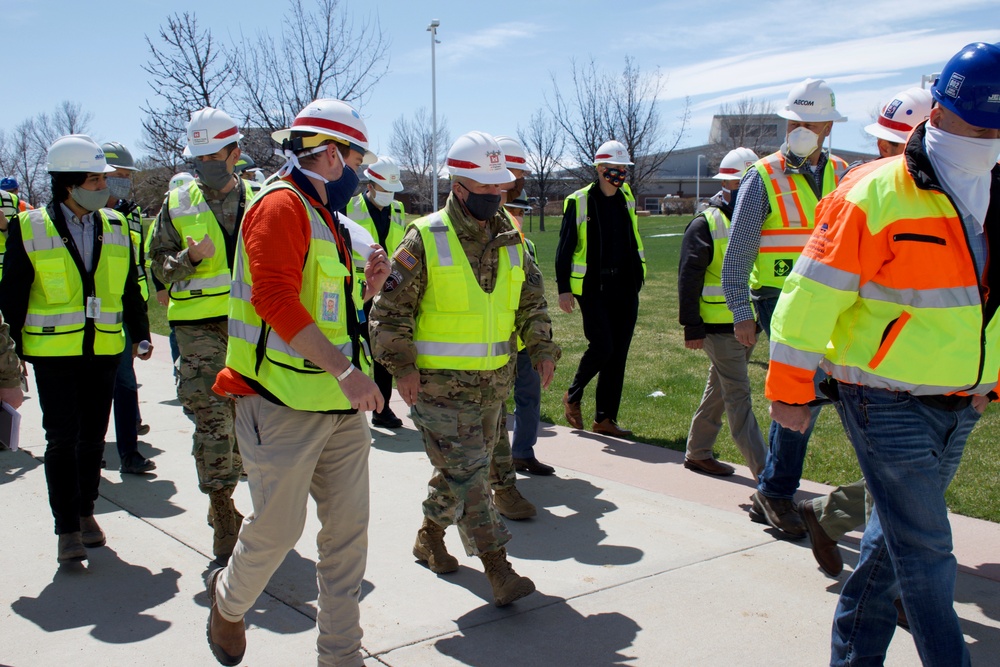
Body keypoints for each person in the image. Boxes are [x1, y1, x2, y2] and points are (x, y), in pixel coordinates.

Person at [766, 42, 1000, 666]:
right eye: (981, 126)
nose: (991, 139)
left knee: (886, 547)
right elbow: (808, 298)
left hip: (964, 400)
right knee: (925, 551)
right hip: (883, 399)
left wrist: (993, 382)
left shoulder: (995, 187)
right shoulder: (870, 194)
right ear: (942, 114)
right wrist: (790, 392)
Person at [208, 98, 388, 667]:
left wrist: (370, 287)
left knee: (346, 540)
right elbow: (275, 301)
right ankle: (228, 605)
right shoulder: (280, 208)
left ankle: (340, 657)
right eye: (357, 159)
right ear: (332, 155)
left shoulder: (326, 217)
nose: (360, 173)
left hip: (337, 408)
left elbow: (328, 310)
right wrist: (346, 370)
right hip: (280, 404)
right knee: (278, 531)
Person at [369, 130, 560, 607]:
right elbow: (388, 312)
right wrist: (402, 368)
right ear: (459, 188)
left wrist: (541, 347)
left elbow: (532, 302)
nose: (496, 197)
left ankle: (429, 537)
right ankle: (497, 566)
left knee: (457, 471)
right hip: (436, 388)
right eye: (486, 190)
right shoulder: (425, 236)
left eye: (501, 188)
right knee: (472, 474)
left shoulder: (513, 238)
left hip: (493, 387)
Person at [798, 87, 933, 578]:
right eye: (888, 147)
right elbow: (816, 291)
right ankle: (890, 588)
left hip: (941, 364)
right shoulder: (861, 194)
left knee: (918, 479)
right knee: (909, 488)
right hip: (878, 369)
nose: (890, 159)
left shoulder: (953, 191)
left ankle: (831, 513)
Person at [0, 134, 150, 563]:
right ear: (69, 184)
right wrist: (9, 360)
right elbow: (12, 294)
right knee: (62, 439)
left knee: (91, 440)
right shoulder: (31, 227)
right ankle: (66, 528)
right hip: (53, 354)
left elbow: (128, 289)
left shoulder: (117, 226)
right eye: (95, 179)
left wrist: (141, 333)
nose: (104, 186)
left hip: (103, 349)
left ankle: (86, 513)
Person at [720, 78, 849, 538]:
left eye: (810, 123)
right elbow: (737, 255)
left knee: (837, 394)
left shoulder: (845, 173)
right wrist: (741, 312)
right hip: (780, 301)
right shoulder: (764, 175)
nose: (801, 131)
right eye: (794, 122)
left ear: (828, 127)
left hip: (834, 300)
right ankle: (776, 492)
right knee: (802, 395)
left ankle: (775, 491)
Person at [149, 107, 255, 566]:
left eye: (216, 153)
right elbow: (156, 268)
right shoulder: (177, 203)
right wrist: (188, 260)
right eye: (200, 155)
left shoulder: (262, 197)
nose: (208, 162)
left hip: (252, 328)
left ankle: (254, 502)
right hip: (198, 331)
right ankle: (221, 508)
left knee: (253, 423)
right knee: (212, 421)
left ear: (235, 152)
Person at [678, 147, 767, 478]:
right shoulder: (705, 223)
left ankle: (698, 452)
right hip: (720, 327)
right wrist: (692, 327)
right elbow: (688, 279)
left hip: (748, 323)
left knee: (719, 389)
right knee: (738, 397)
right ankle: (768, 475)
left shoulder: (757, 219)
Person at [555, 139, 646, 437]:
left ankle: (605, 419)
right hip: (593, 288)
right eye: (613, 168)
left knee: (618, 353)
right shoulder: (579, 201)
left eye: (623, 168)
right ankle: (573, 394)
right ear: (599, 168)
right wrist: (564, 288)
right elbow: (565, 248)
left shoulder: (626, 197)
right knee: (602, 346)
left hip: (625, 285)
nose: (619, 173)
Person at [494, 134, 554, 478]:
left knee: (528, 399)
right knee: (495, 406)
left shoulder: (525, 245)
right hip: (498, 341)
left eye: (520, 211)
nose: (516, 215)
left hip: (524, 341)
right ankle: (497, 465)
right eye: (512, 209)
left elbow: (533, 295)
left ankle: (523, 452)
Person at [103, 141, 155, 474]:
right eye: (117, 176)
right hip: (78, 324)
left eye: (126, 177)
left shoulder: (126, 217)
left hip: (118, 316)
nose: (123, 182)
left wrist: (140, 333)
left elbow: (130, 278)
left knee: (124, 385)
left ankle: (128, 454)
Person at [345, 155, 407, 429]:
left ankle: (382, 409)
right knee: (355, 347)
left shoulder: (398, 209)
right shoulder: (349, 207)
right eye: (383, 190)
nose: (388, 196)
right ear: (370, 185)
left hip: (388, 290)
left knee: (384, 349)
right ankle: (352, 404)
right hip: (358, 290)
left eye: (392, 191)